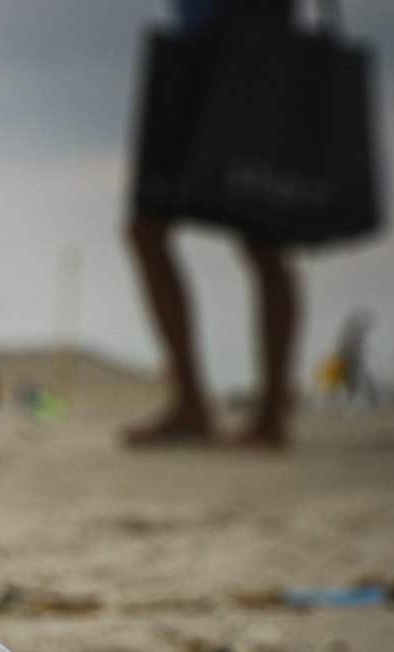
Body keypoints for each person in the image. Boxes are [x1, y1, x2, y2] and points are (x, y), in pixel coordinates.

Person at [124, 0, 299, 449]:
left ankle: (270, 413)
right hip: (194, 47)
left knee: (264, 235)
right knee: (147, 227)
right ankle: (193, 404)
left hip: (254, 47)